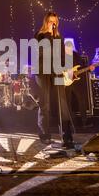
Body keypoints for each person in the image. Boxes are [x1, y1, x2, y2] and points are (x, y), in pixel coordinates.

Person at [34, 12, 75, 148]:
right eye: (51, 21)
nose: (53, 24)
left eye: (55, 22)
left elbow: (63, 56)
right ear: (46, 22)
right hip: (43, 72)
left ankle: (67, 135)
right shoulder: (40, 36)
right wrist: (49, 35)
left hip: (56, 72)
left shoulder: (59, 37)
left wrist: (69, 70)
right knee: (45, 104)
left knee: (62, 103)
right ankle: (45, 135)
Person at [64, 41, 95, 127]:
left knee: (82, 100)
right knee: (67, 102)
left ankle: (84, 122)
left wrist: (89, 69)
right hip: (65, 81)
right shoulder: (61, 56)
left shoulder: (76, 55)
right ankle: (70, 123)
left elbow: (82, 66)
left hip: (76, 81)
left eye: (70, 46)